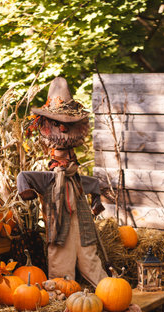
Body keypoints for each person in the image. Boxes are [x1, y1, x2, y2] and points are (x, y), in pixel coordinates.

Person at [17, 77, 107, 288]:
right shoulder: (49, 179)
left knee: (90, 259)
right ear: (47, 126)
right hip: (60, 227)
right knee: (61, 268)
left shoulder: (76, 176)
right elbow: (24, 177)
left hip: (83, 226)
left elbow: (91, 184)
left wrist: (95, 199)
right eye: (58, 124)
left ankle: (104, 289)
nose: (64, 130)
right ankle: (62, 291)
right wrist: (26, 191)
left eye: (68, 125)